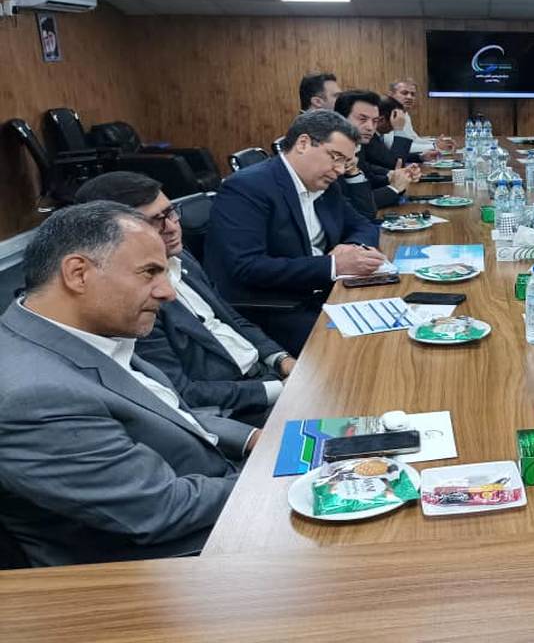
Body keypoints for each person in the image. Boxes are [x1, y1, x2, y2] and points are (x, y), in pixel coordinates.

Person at [0, 202, 253, 566]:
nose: (167, 292)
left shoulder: (80, 330)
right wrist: (271, 480)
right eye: (150, 273)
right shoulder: (35, 396)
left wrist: (252, 439)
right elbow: (161, 509)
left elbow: (163, 411)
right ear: (78, 274)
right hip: (178, 561)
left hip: (214, 493)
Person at [74, 172, 296, 426]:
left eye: (170, 212)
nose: (171, 227)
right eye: (154, 222)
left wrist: (281, 359)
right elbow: (184, 392)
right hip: (237, 411)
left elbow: (230, 318)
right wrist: (278, 389)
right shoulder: (131, 302)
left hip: (267, 374)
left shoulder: (180, 256)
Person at [205, 111, 386, 354]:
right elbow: (247, 266)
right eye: (336, 157)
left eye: (346, 162)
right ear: (303, 143)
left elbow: (364, 225)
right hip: (276, 308)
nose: (340, 170)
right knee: (366, 350)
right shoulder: (247, 187)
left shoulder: (324, 183)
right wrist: (334, 265)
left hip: (325, 293)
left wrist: (351, 246)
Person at [331, 89, 420, 218]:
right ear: (340, 119)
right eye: (363, 119)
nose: (370, 127)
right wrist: (394, 188)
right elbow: (350, 207)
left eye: (375, 121)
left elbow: (368, 178)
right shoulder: (329, 155)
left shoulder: (358, 146)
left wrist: (393, 177)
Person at [387, 77, 453, 154]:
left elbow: (414, 139)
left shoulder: (404, 113)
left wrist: (436, 143)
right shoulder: (387, 114)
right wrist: (434, 146)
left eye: (413, 94)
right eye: (404, 93)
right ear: (391, 95)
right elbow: (393, 146)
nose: (409, 97)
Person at [366, 95, 432, 170]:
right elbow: (395, 164)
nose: (395, 124)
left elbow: (386, 157)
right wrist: (399, 129)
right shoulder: (368, 138)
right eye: (395, 120)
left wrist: (420, 157)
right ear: (381, 120)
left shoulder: (377, 136)